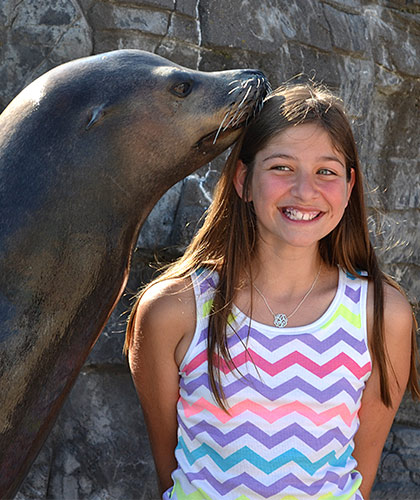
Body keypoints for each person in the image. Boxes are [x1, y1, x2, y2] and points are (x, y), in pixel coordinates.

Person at [124, 83, 420, 500]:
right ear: (243, 180)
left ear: (349, 187)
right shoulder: (174, 311)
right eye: (282, 167)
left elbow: (360, 477)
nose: (304, 190)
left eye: (327, 171)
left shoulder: (381, 316)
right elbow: (172, 475)